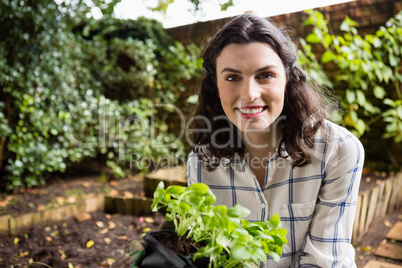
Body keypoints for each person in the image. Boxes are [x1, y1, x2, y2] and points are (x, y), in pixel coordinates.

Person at [187, 13, 364, 267]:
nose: (249, 94)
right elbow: (210, 253)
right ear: (215, 85)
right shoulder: (201, 160)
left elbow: (322, 262)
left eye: (265, 75)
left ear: (288, 78)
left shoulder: (339, 151)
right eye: (232, 77)